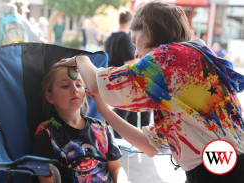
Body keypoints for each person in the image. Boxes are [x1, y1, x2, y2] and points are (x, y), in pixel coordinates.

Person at [56, 1, 244, 183]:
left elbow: (99, 84)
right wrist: (104, 111)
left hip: (219, 169)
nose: (136, 53)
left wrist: (81, 59)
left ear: (148, 30)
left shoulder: (170, 57)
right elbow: (149, 146)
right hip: (221, 166)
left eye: (135, 40)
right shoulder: (188, 67)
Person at [32, 65, 127, 183]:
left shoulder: (100, 128)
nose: (75, 89)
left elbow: (116, 167)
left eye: (78, 85)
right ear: (50, 97)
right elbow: (47, 180)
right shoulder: (46, 133)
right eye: (65, 86)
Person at [104, 9, 151, 139]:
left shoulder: (110, 37)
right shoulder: (124, 37)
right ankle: (128, 145)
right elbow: (129, 63)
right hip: (125, 80)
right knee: (125, 117)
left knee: (124, 115)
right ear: (130, 22)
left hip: (113, 79)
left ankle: (125, 143)